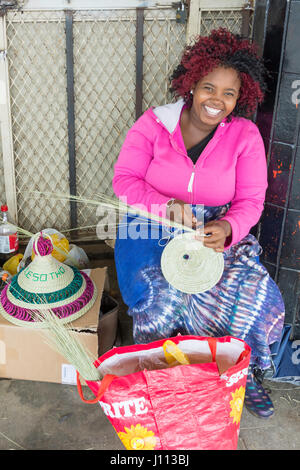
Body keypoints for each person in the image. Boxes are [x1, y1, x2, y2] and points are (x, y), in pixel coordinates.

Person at [112, 28, 285, 419]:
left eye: (229, 93)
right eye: (210, 88)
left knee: (250, 290)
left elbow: (251, 201)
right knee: (162, 293)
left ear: (242, 97)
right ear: (191, 85)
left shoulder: (245, 136)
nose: (217, 101)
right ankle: (162, 376)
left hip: (215, 230)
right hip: (152, 223)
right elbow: (124, 181)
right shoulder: (154, 124)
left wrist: (227, 229)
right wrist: (165, 205)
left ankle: (240, 373)